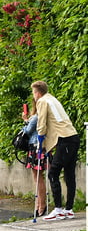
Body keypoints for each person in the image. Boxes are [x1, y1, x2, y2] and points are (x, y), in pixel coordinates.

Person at [32, 81, 80, 221]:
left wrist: (40, 140)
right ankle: (69, 209)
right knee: (69, 174)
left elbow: (42, 122)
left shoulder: (42, 101)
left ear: (38, 93)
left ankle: (58, 209)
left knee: (53, 173)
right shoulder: (52, 99)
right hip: (72, 137)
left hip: (64, 139)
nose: (34, 96)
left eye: (34, 93)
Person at [20, 102, 49, 217]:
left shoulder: (36, 117)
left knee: (38, 177)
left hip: (35, 147)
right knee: (37, 177)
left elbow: (27, 131)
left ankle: (41, 206)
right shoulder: (42, 117)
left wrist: (25, 120)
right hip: (40, 146)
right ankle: (39, 206)